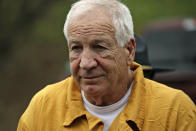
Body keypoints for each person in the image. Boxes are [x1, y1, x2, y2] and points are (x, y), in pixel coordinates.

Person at [17, 0, 196, 131]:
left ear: (129, 50)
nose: (86, 63)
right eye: (76, 48)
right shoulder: (43, 107)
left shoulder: (175, 111)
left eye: (99, 47)